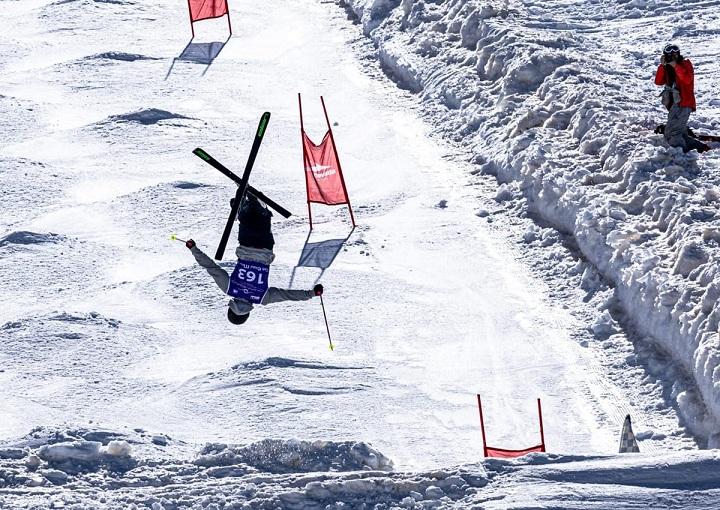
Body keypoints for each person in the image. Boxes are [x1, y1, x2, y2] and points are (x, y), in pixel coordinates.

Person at [185, 194, 323, 324]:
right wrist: (193, 249)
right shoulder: (229, 288)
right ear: (231, 307)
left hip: (265, 247)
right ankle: (244, 206)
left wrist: (311, 294)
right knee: (247, 218)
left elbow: (286, 295)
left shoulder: (262, 297)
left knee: (262, 218)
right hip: (246, 244)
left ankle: (255, 208)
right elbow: (211, 268)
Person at [654, 44, 708, 153]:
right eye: (670, 55)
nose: (673, 57)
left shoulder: (685, 63)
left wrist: (676, 66)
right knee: (680, 134)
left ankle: (682, 156)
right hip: (674, 105)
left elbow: (687, 80)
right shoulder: (667, 67)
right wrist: (662, 66)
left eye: (675, 54)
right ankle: (702, 148)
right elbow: (658, 81)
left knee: (672, 134)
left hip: (684, 104)